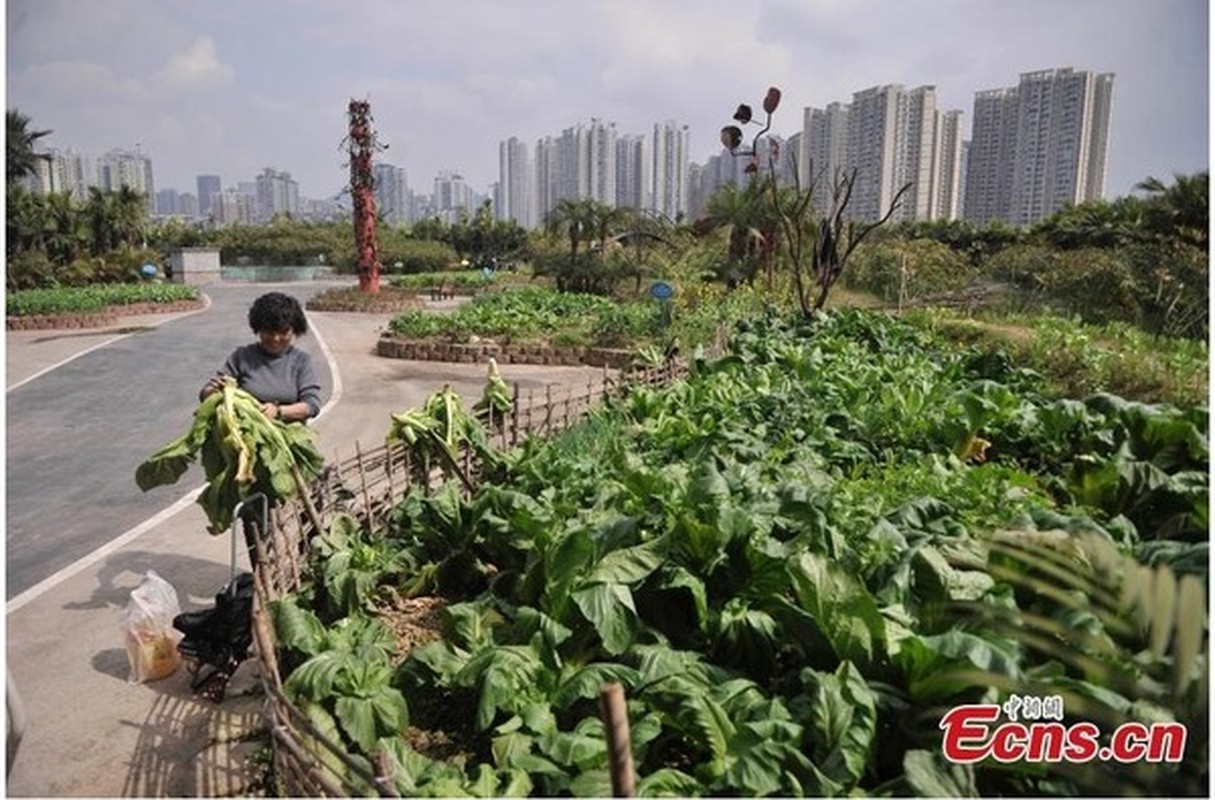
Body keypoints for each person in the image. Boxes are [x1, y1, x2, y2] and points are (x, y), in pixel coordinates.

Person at [198, 291, 322, 423]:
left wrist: (279, 411)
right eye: (269, 331)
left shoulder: (301, 361)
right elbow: (205, 394)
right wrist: (214, 391)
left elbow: (312, 405)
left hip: (288, 435)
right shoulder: (242, 357)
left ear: (294, 330)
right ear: (258, 329)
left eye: (284, 332)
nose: (275, 339)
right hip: (244, 435)